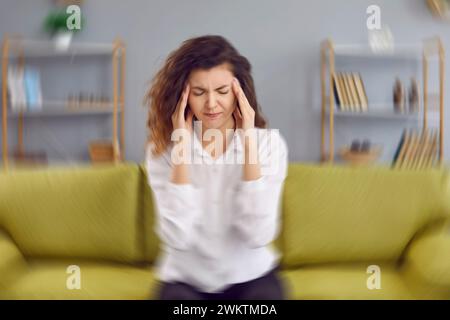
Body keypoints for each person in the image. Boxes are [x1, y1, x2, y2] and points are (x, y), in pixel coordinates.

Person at [144, 35, 288, 300]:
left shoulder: (269, 145)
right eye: (199, 92)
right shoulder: (161, 151)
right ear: (183, 96)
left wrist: (248, 143)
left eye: (222, 91)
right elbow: (177, 236)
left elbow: (258, 235)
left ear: (239, 92)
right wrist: (182, 150)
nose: (211, 104)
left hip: (252, 278)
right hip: (184, 281)